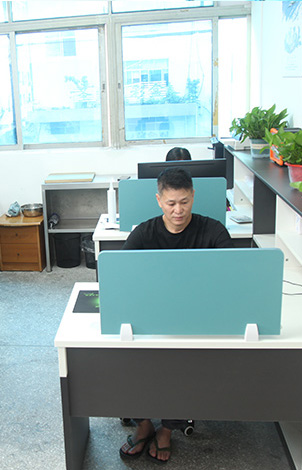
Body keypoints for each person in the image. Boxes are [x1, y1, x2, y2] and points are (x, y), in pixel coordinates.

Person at [119, 167, 233, 463]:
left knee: (185, 362)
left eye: (184, 202)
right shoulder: (143, 233)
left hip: (197, 319)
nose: (178, 210)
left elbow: (231, 278)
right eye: (171, 203)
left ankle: (167, 430)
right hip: (151, 316)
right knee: (126, 356)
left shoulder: (213, 231)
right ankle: (144, 424)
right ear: (159, 200)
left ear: (193, 196)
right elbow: (120, 276)